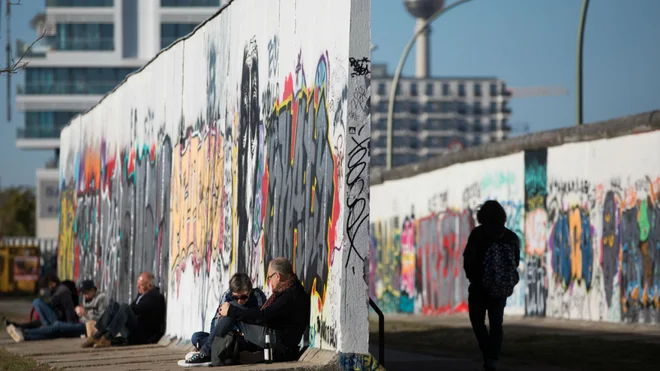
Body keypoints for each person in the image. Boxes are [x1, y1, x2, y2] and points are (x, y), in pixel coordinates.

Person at [182, 258, 309, 366]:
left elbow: (263, 316)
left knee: (232, 308)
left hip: (277, 342)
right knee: (201, 335)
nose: (270, 281)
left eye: (270, 277)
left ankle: (206, 352)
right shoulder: (292, 290)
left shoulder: (290, 295)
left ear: (277, 276)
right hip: (275, 339)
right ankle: (216, 349)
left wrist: (233, 311)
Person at [463, 200, 521, 371]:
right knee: (496, 324)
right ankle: (493, 358)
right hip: (500, 288)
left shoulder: (478, 235)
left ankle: (488, 355)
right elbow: (515, 262)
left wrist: (473, 277)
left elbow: (469, 260)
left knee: (477, 321)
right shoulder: (511, 237)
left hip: (479, 287)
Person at [81, 272, 165, 348]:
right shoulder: (141, 295)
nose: (137, 286)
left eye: (141, 285)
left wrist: (122, 311)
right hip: (134, 330)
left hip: (141, 334)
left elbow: (137, 309)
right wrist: (120, 312)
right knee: (113, 306)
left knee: (125, 307)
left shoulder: (154, 296)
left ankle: (107, 338)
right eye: (137, 284)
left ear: (150, 286)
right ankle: (96, 336)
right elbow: (133, 308)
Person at [189, 273, 266, 354]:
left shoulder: (257, 295)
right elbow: (216, 323)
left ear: (250, 291)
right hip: (230, 335)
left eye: (243, 297)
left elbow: (261, 318)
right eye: (235, 298)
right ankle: (225, 347)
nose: (239, 301)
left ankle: (217, 349)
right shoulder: (227, 295)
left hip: (248, 336)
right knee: (196, 337)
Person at [5, 273, 83, 342]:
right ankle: (25, 336)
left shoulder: (62, 291)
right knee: (48, 333)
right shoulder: (57, 291)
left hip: (60, 320)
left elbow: (69, 309)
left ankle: (31, 329)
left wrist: (70, 327)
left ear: (53, 282)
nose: (49, 287)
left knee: (36, 301)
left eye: (49, 284)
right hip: (58, 319)